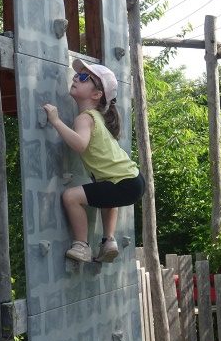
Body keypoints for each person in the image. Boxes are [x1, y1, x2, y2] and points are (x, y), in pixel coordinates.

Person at [43, 59, 145, 263]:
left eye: (83, 77)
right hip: (133, 181)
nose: (75, 78)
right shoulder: (97, 117)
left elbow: (80, 144)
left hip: (124, 182)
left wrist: (55, 121)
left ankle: (82, 246)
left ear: (97, 94)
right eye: (76, 75)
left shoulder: (85, 118)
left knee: (71, 197)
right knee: (107, 194)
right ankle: (109, 241)